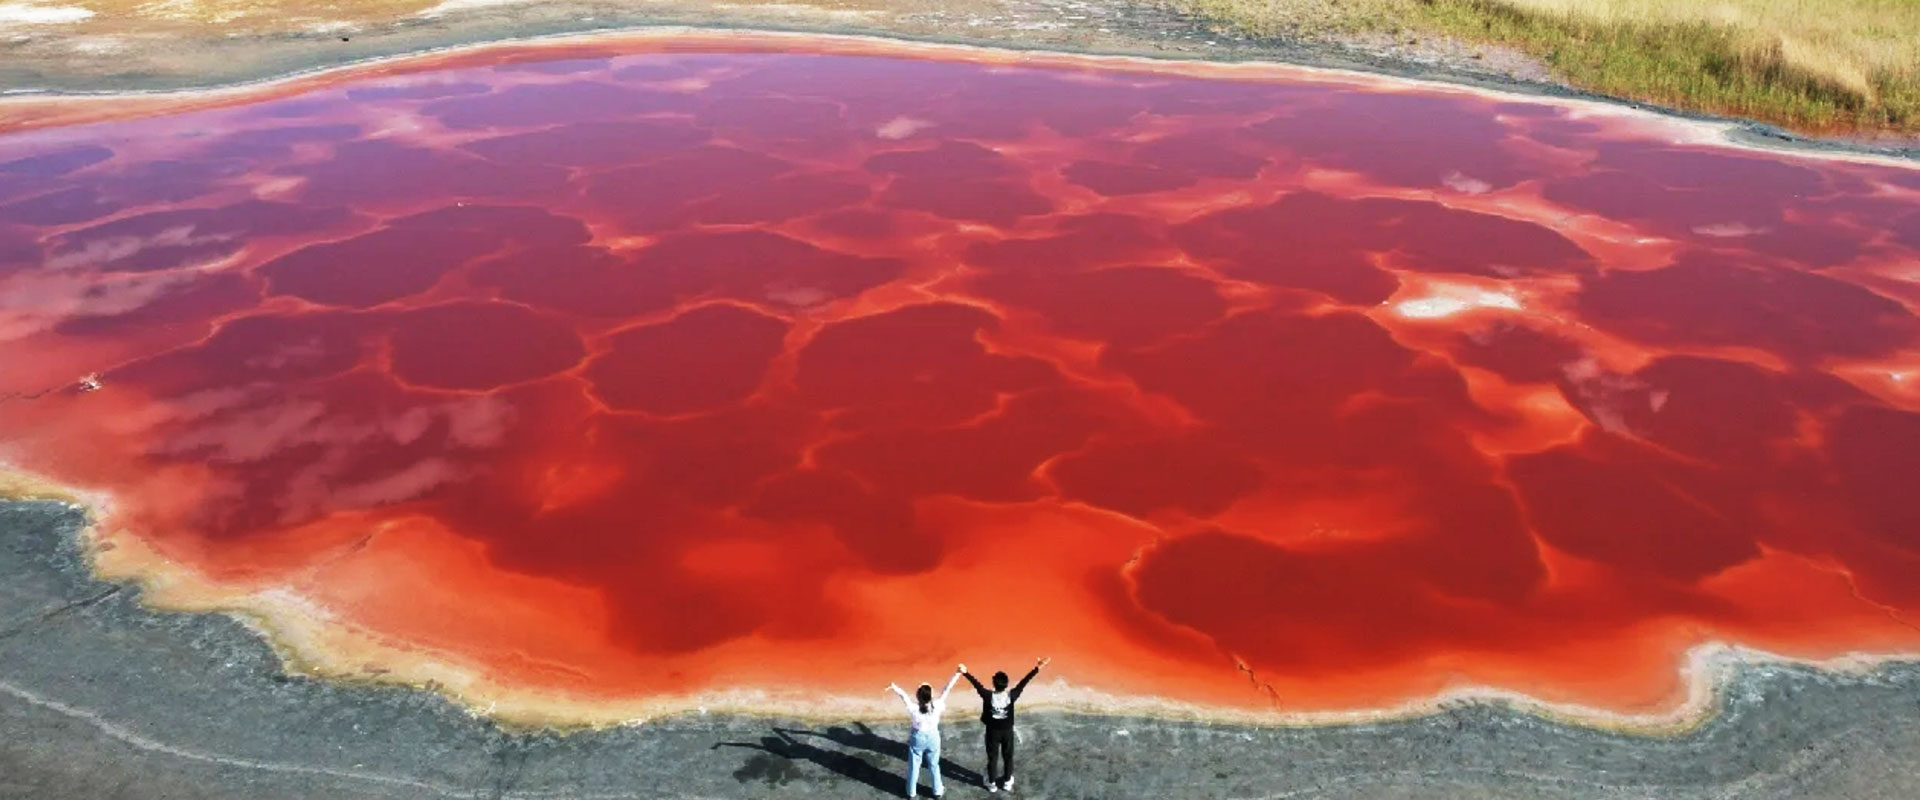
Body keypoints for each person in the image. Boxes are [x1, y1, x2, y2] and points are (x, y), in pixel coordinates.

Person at [961, 657, 1049, 793]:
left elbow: (977, 685)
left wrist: (965, 672)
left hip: (992, 732)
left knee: (992, 758)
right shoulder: (1012, 696)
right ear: (1006, 685)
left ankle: (991, 784)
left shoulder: (987, 695)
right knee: (1008, 757)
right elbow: (1023, 683)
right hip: (1007, 732)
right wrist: (1037, 668)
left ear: (994, 683)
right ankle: (1007, 782)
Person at [888, 666, 963, 798]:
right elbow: (947, 689)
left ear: (918, 696)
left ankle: (911, 792)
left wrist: (894, 687)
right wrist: (957, 673)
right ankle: (937, 791)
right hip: (933, 737)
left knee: (914, 766)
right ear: (931, 695)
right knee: (934, 764)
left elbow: (904, 696)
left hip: (917, 737)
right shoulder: (938, 705)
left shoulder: (913, 708)